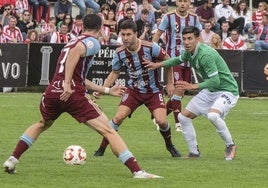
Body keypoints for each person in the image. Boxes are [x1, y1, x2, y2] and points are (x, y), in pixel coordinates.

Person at [3, 14, 161, 179]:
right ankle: (138, 171)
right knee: (109, 130)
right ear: (100, 28)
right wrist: (67, 84)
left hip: (52, 92)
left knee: (42, 123)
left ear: (83, 26)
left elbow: (79, 76)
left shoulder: (71, 41)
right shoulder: (92, 42)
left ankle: (12, 160)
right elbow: (75, 53)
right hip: (72, 94)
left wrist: (107, 90)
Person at [144, 26, 238, 160]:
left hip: (228, 91)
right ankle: (194, 153)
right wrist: (157, 65)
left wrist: (191, 86)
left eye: (190, 39)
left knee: (212, 115)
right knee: (183, 118)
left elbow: (216, 81)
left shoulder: (205, 55)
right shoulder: (189, 52)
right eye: (184, 39)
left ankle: (230, 145)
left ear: (198, 39)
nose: (186, 42)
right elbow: (176, 60)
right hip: (211, 91)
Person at [93, 19, 181, 158]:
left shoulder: (151, 47)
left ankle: (169, 145)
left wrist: (170, 83)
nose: (125, 38)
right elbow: (115, 72)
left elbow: (169, 60)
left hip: (153, 91)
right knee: (118, 117)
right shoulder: (120, 52)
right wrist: (103, 88)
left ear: (136, 34)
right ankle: (101, 149)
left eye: (129, 34)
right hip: (133, 91)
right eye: (123, 35)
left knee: (162, 121)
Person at [152, 0, 202, 132]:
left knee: (181, 93)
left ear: (189, 2)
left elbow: (199, 38)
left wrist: (202, 53)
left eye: (185, 1)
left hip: (188, 61)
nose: (182, 4)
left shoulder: (194, 18)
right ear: (176, 2)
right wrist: (150, 50)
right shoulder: (168, 17)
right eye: (180, 1)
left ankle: (158, 115)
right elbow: (158, 34)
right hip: (173, 60)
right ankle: (178, 123)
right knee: (178, 89)